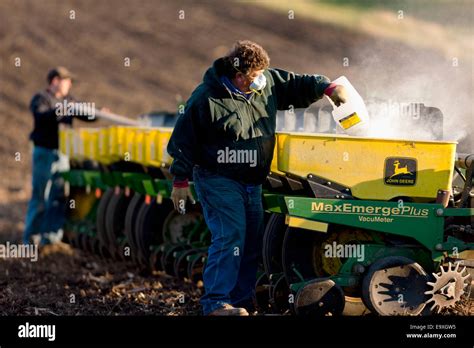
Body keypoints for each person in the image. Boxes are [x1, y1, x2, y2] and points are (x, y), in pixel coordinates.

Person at [167, 41, 347, 316]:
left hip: (252, 180)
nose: (259, 81)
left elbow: (299, 84)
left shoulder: (267, 83)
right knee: (231, 236)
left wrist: (327, 87)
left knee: (251, 241)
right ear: (238, 76)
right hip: (218, 178)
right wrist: (180, 180)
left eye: (262, 74)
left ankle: (241, 303)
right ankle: (215, 303)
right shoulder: (206, 98)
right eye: (253, 77)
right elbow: (183, 139)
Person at [23, 67, 98, 245]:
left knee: (58, 196)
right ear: (55, 81)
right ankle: (31, 239)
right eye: (67, 80)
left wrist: (97, 111)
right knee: (40, 195)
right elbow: (42, 116)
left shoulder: (69, 100)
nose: (70, 84)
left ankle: (50, 240)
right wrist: (63, 109)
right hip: (44, 152)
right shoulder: (41, 99)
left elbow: (86, 114)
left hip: (63, 154)